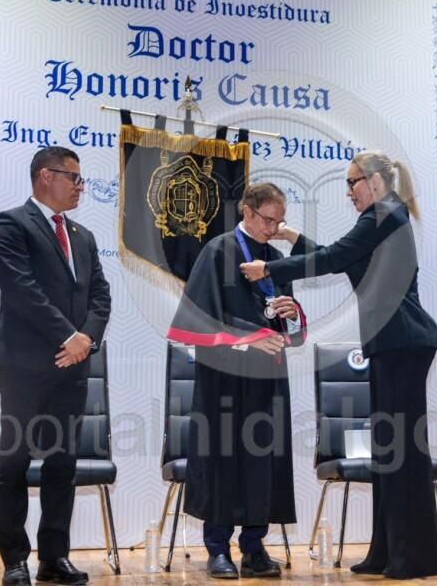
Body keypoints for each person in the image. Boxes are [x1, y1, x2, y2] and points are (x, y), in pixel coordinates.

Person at [241, 150, 437, 579]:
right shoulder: (382, 218)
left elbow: (333, 257)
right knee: (388, 453)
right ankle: (386, 552)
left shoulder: (383, 214)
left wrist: (268, 268)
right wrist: (292, 236)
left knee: (402, 454)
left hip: (403, 344)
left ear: (374, 181)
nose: (348, 192)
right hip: (392, 345)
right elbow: (339, 258)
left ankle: (413, 557)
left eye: (352, 182)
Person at [167, 183, 306, 580]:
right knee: (223, 460)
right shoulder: (217, 252)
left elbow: (292, 330)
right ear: (246, 210)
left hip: (267, 378)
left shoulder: (276, 259)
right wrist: (248, 338)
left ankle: (254, 547)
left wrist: (291, 312)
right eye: (267, 220)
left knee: (264, 461)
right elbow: (195, 323)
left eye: (279, 222)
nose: (272, 229)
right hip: (225, 377)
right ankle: (217, 548)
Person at [0, 146, 112, 586]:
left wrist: (86, 340)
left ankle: (54, 559)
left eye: (80, 179)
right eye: (73, 177)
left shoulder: (83, 236)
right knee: (14, 464)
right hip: (23, 366)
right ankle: (15, 560)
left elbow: (100, 295)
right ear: (45, 176)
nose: (80, 186)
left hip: (72, 368)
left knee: (62, 465)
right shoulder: (11, 223)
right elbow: (20, 289)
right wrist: (68, 336)